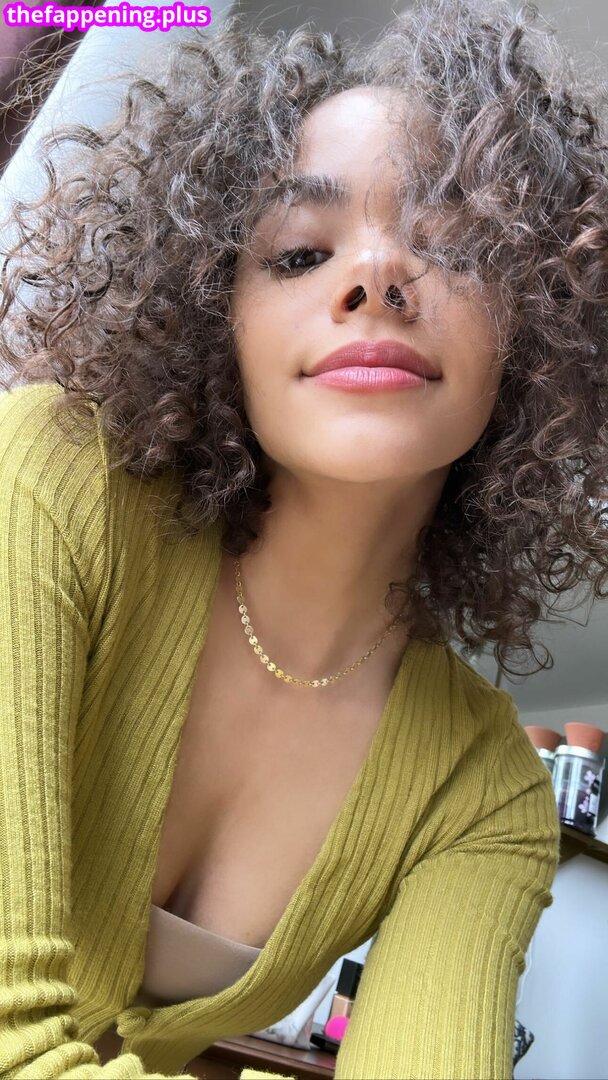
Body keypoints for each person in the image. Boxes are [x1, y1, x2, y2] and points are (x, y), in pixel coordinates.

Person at [0, 0, 606, 1077]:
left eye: (451, 246)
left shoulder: (482, 791)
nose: (373, 278)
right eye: (297, 254)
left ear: (537, 332)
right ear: (212, 312)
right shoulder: (48, 483)